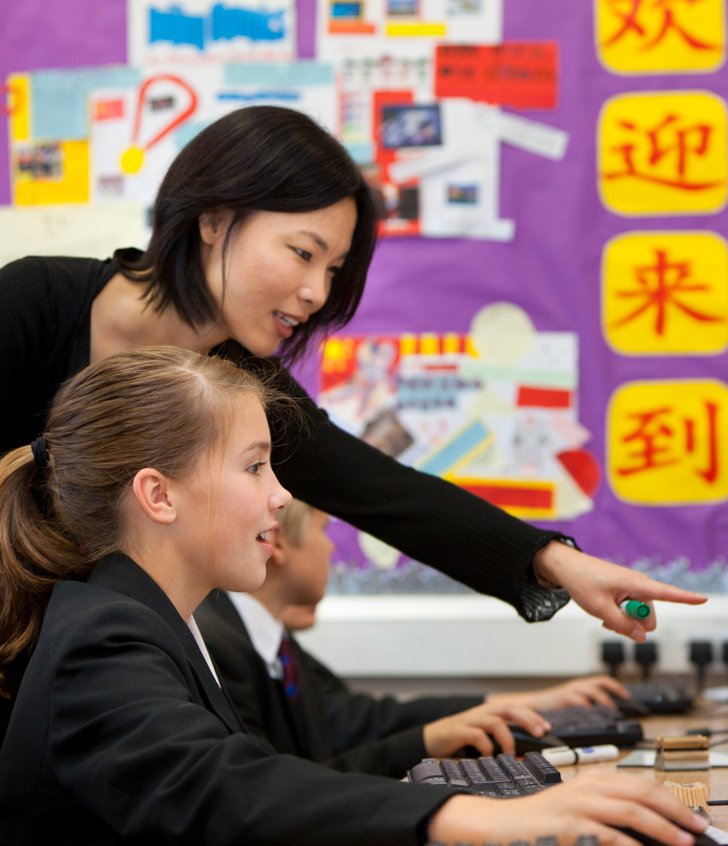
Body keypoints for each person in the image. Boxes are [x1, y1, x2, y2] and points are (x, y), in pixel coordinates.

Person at [0, 105, 706, 731]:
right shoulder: (33, 302)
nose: (315, 292)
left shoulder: (238, 382)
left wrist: (561, 565)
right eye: (303, 253)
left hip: (81, 693)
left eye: (334, 270)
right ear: (213, 220)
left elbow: (382, 492)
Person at [0, 347, 709, 846]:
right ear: (158, 495)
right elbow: (218, 786)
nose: (281, 496)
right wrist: (468, 817)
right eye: (254, 467)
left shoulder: (148, 618)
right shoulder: (104, 636)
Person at [197, 499, 635, 778]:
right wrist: (427, 740)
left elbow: (355, 717)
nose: (331, 549)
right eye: (324, 531)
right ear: (278, 543)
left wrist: (488, 708)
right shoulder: (226, 649)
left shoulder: (270, 642)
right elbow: (288, 782)